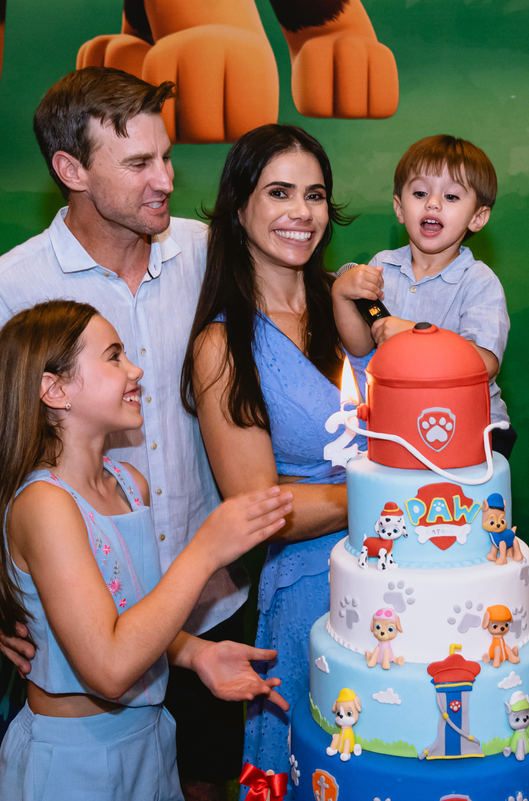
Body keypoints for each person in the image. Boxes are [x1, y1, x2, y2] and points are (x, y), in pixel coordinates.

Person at [0, 67, 254, 798]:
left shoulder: (208, 251)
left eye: (167, 156)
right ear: (71, 169)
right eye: (139, 163)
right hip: (76, 623)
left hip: (205, 607)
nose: (167, 178)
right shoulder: (9, 286)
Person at [0, 300, 292, 798]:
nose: (135, 369)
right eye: (114, 356)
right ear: (55, 390)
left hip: (149, 741)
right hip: (74, 761)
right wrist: (205, 550)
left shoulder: (129, 485)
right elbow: (107, 668)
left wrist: (195, 653)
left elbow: (127, 620)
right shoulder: (45, 505)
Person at [180, 123, 363, 777]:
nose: (302, 212)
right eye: (279, 192)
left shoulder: (351, 303)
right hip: (313, 588)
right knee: (326, 767)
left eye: (314, 195)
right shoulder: (223, 347)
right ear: (239, 207)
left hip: (406, 568)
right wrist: (386, 495)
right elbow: (260, 506)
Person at [331, 134, 515, 455]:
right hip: (398, 421)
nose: (433, 203)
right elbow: (360, 347)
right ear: (400, 208)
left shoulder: (479, 281)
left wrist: (416, 335)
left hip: (473, 427)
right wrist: (342, 296)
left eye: (452, 197)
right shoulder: (382, 267)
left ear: (477, 217)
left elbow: (485, 363)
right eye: (420, 193)